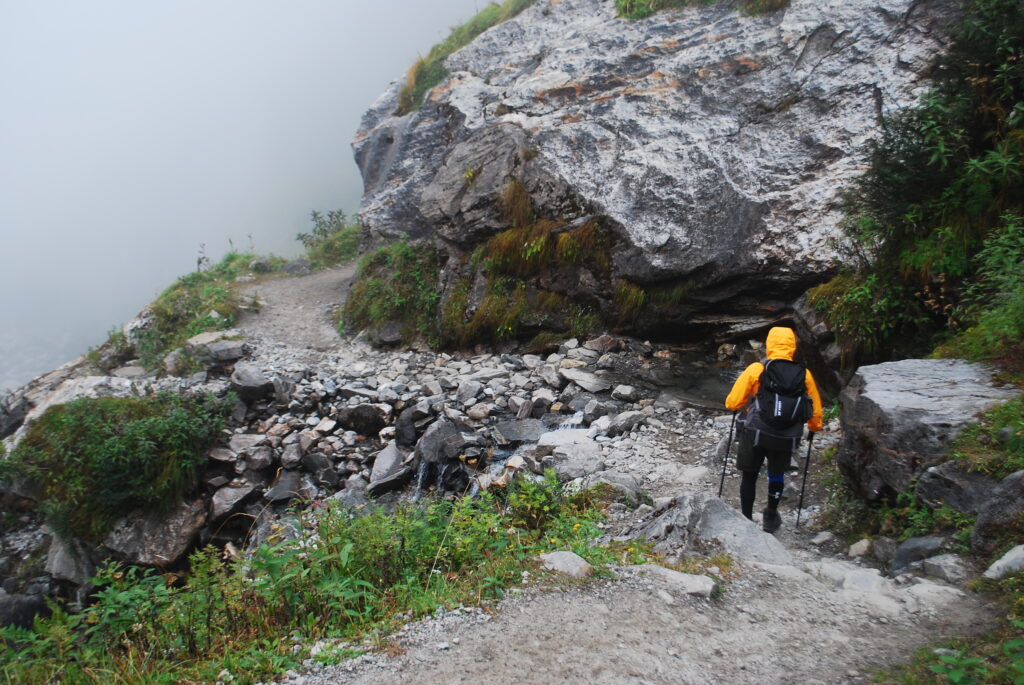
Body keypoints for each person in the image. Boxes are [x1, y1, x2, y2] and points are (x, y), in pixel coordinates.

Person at [725, 327, 823, 533]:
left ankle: (746, 518)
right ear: (792, 347)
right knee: (776, 475)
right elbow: (815, 409)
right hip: (786, 435)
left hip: (756, 432)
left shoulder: (757, 370)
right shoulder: (804, 375)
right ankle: (770, 514)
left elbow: (733, 402)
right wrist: (814, 427)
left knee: (749, 475)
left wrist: (739, 407)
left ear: (769, 345)